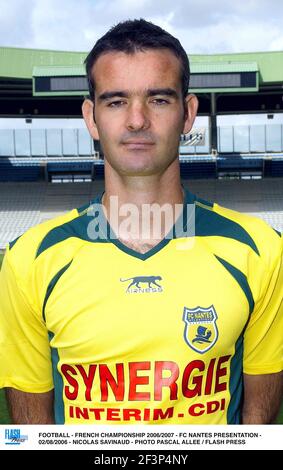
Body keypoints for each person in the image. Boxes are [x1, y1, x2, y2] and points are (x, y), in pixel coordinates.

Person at [0, 19, 282, 425]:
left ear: (187, 114)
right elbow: (31, 433)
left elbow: (260, 430)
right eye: (115, 101)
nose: (136, 120)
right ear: (91, 117)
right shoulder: (31, 259)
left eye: (159, 100)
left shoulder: (261, 250)